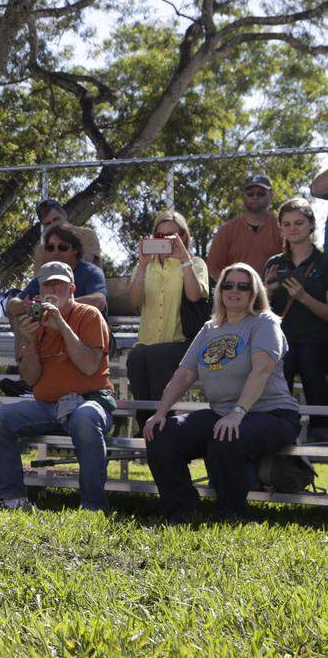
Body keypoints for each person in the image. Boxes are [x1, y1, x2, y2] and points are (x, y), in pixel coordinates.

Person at [144, 264, 301, 522]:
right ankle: (183, 512)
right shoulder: (210, 328)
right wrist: (160, 413)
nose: (234, 291)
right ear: (220, 291)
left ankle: (231, 516)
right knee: (162, 435)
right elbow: (183, 374)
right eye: (228, 285)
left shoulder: (264, 323)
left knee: (227, 436)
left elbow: (261, 370)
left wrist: (238, 413)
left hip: (273, 414)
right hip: (222, 413)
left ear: (255, 292)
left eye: (243, 286)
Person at [0, 261, 115, 511]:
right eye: (47, 284)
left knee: (85, 418)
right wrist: (26, 340)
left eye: (59, 284)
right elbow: (31, 378)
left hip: (89, 401)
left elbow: (90, 366)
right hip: (48, 405)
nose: (53, 289)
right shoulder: (33, 322)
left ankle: (93, 506)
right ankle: (13, 499)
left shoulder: (89, 315)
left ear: (72, 288)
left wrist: (63, 327)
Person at [126, 211, 210, 407]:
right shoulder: (144, 266)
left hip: (182, 342)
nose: (167, 241)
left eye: (174, 236)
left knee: (156, 356)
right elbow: (134, 302)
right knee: (136, 358)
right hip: (147, 344)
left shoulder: (195, 263)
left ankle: (161, 421)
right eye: (161, 236)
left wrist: (184, 260)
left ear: (184, 236)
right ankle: (145, 424)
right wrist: (143, 264)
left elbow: (194, 295)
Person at [265, 198, 328, 437]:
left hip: (318, 340)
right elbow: (260, 313)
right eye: (287, 223)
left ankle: (321, 430)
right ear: (280, 228)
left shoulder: (324, 262)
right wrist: (267, 291)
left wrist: (302, 297)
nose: (293, 228)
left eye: (299, 222)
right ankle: (280, 430)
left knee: (309, 357)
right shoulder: (274, 263)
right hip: (282, 341)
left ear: (311, 224)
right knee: (282, 360)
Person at [8, 223, 108, 317]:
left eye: (62, 247)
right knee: (20, 320)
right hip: (56, 331)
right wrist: (29, 307)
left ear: (75, 249)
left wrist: (55, 305)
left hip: (86, 332)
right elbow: (12, 305)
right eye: (51, 248)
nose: (56, 252)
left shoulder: (91, 272)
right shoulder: (44, 275)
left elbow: (99, 301)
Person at [206, 174, 283, 277]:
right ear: (243, 195)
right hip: (236, 290)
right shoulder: (226, 230)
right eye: (250, 194)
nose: (255, 197)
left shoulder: (282, 228)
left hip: (274, 290)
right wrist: (231, 286)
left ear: (271, 195)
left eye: (260, 194)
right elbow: (213, 268)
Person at [32, 198, 102, 270]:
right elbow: (38, 279)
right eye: (48, 224)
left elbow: (82, 270)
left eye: (56, 219)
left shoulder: (86, 234)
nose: (53, 225)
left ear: (64, 214)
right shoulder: (42, 249)